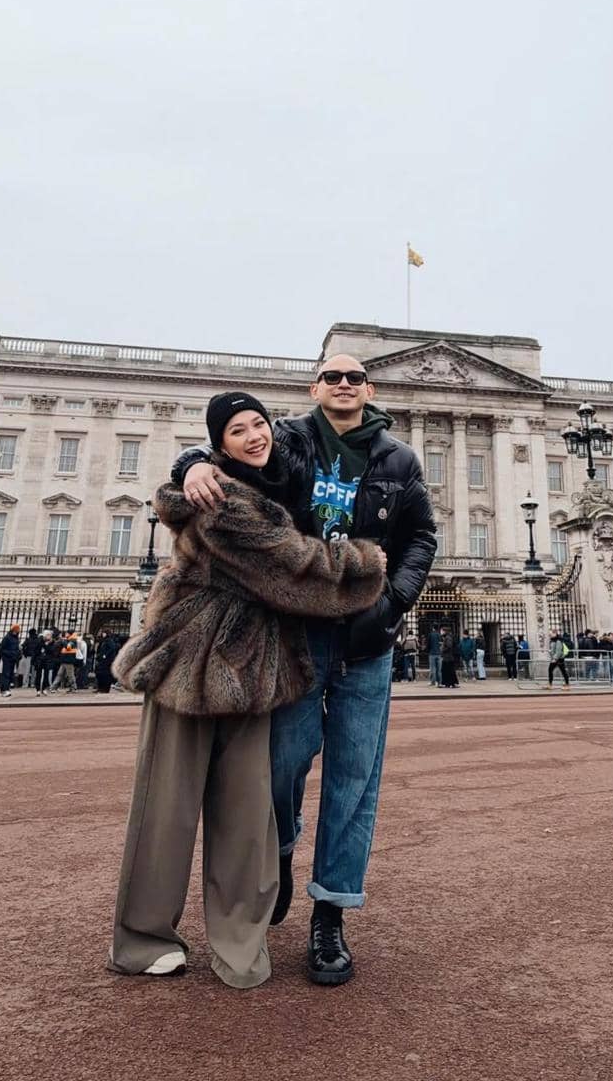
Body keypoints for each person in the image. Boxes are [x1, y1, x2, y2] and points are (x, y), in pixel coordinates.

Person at [110, 392, 387, 988]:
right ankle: (143, 938)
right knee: (167, 808)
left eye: (259, 423)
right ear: (221, 445)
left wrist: (191, 460)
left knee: (248, 816)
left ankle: (240, 941)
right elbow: (293, 572)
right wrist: (367, 562)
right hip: (192, 664)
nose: (255, 436)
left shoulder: (271, 480)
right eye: (238, 430)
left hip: (256, 668)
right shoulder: (220, 499)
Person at [174, 363, 436, 986]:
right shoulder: (287, 438)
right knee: (282, 764)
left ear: (370, 391)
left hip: (365, 643)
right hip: (293, 635)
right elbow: (232, 447)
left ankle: (331, 915)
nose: (344, 384)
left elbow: (421, 535)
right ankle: (283, 850)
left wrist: (392, 604)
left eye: (356, 377)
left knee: (354, 781)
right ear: (314, 389)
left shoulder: (400, 461)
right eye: (331, 375)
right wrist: (191, 464)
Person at [0, 624, 20, 697]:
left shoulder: (16, 638)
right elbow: (1, 648)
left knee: (10, 674)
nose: (17, 631)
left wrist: (17, 653)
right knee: (6, 674)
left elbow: (16, 648)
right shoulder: (7, 637)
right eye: (16, 629)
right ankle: (5, 690)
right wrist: (9, 653)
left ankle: (3, 690)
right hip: (7, 658)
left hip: (13, 658)